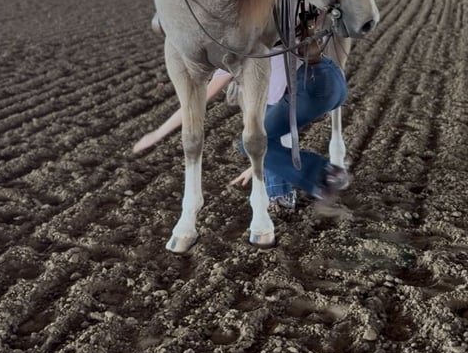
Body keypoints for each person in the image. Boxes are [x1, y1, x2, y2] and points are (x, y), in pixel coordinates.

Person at [133, 13, 350, 211]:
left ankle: (325, 175)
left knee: (251, 142)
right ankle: (287, 192)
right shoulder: (256, 36)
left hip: (313, 89)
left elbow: (195, 104)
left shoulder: (235, 56)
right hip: (332, 80)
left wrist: (158, 133)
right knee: (262, 139)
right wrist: (257, 164)